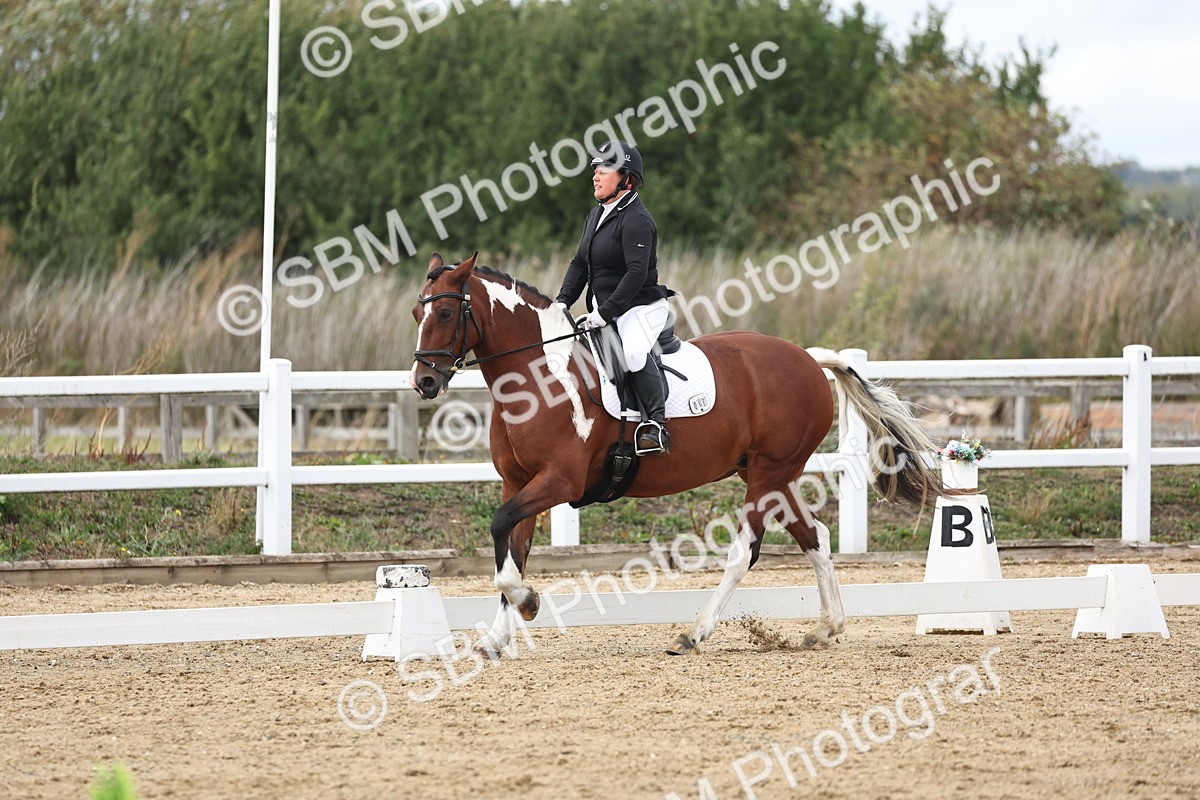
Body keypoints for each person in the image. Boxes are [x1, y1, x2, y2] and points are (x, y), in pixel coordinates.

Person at [555, 140, 676, 454]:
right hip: (606, 309)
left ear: (627, 179)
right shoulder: (596, 215)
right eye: (595, 169)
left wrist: (605, 312)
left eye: (604, 170)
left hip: (641, 307)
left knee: (633, 353)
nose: (595, 176)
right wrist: (562, 301)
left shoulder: (638, 220)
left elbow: (635, 274)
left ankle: (656, 425)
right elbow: (580, 263)